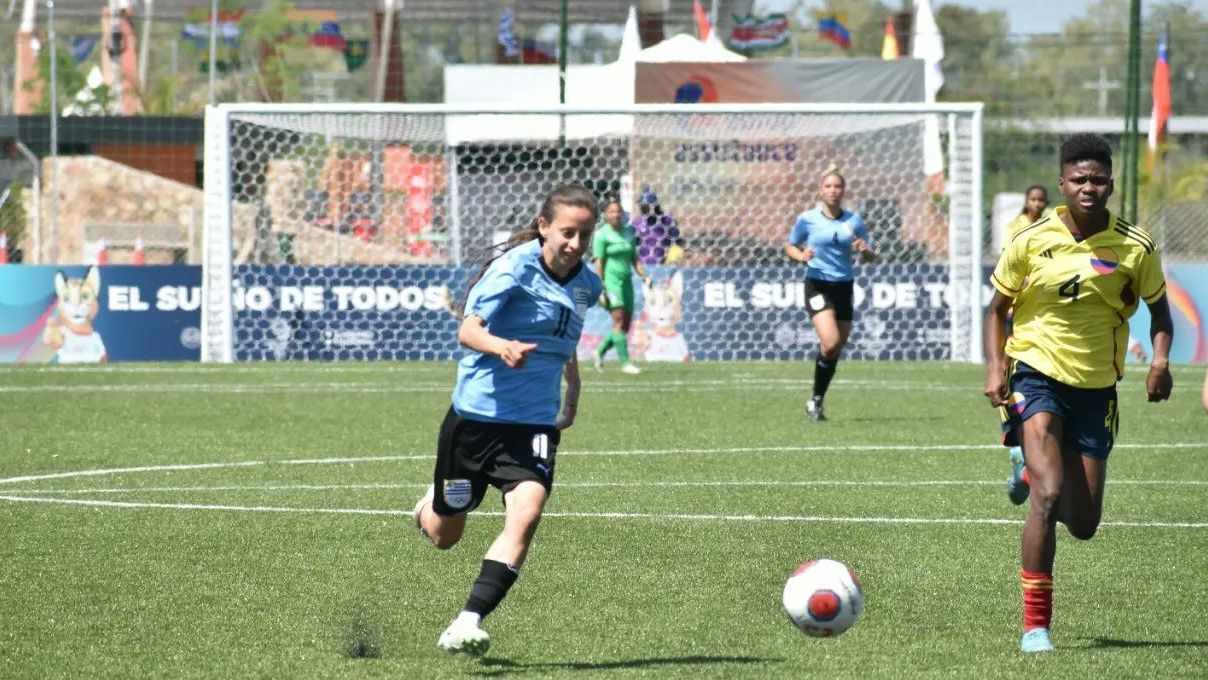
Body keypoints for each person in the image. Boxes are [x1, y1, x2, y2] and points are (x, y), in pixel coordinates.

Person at [983, 133, 1173, 653]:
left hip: (1095, 389)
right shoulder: (1029, 239)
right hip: (1035, 374)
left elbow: (1159, 312)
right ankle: (1035, 626)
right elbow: (996, 309)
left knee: (1085, 523)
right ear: (1063, 182)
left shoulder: (1136, 246)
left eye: (1099, 179)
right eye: (1079, 179)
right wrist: (996, 368)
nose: (1089, 187)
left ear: (1111, 184)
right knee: (1045, 497)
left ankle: (1026, 465)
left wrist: (1159, 360)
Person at [410, 184, 602, 657]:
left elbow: (566, 336)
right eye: (567, 233)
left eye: (584, 234)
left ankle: (466, 620)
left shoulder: (587, 284)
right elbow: (467, 330)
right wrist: (503, 347)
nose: (576, 244)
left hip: (534, 424)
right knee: (444, 535)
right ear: (543, 227)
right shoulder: (512, 270)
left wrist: (573, 388)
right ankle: (427, 505)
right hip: (476, 420)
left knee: (527, 514)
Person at [784, 167, 876, 421]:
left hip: (844, 286)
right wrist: (800, 255)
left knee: (834, 348)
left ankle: (816, 400)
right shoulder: (808, 219)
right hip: (817, 284)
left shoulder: (853, 221)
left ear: (843, 191)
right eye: (828, 186)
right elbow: (790, 245)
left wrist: (864, 250)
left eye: (837, 186)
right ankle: (815, 399)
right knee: (832, 341)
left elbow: (870, 255)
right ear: (820, 190)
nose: (833, 191)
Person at [592, 195, 651, 375]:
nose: (616, 214)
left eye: (618, 211)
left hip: (627, 283)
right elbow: (599, 262)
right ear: (605, 215)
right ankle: (626, 363)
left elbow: (635, 258)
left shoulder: (628, 233)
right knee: (617, 320)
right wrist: (600, 286)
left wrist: (645, 276)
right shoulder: (601, 235)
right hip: (611, 283)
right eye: (611, 211)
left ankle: (599, 351)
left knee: (625, 325)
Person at [634, 187, 683, 265]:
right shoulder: (638, 223)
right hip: (643, 266)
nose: (642, 209)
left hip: (664, 265)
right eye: (641, 206)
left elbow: (678, 242)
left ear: (654, 206)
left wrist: (671, 259)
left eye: (645, 206)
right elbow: (634, 245)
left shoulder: (667, 219)